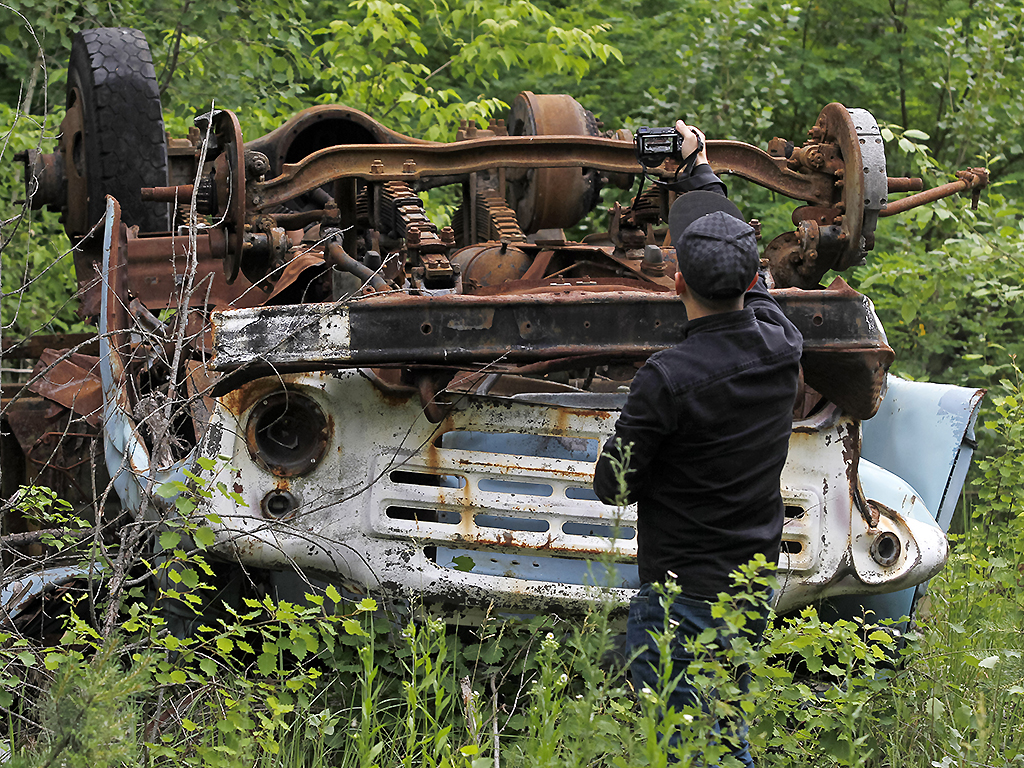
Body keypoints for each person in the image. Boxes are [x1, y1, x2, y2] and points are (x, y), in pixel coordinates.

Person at [593, 122, 803, 766]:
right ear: (747, 281)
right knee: (721, 722)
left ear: (673, 279)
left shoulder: (667, 379)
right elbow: (756, 284)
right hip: (752, 581)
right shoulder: (781, 342)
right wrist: (701, 174)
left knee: (687, 743)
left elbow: (613, 485)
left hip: (680, 595)